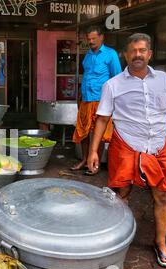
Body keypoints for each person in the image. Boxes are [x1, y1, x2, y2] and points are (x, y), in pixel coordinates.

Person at [87, 33, 166, 268]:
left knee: (163, 195)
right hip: (126, 145)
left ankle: (160, 243)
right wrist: (93, 151)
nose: (137, 55)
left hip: (158, 146)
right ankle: (118, 240)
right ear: (125, 55)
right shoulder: (113, 84)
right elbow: (102, 120)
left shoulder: (162, 79)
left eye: (142, 50)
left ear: (149, 54)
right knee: (121, 196)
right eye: (133, 51)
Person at [71, 26, 122, 175]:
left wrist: (115, 102)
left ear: (101, 37)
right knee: (83, 132)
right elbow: (86, 76)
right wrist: (80, 96)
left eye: (93, 38)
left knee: (97, 133)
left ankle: (94, 163)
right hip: (86, 99)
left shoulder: (110, 54)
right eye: (89, 39)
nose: (91, 41)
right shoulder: (87, 55)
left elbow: (117, 78)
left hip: (101, 101)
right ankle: (84, 159)